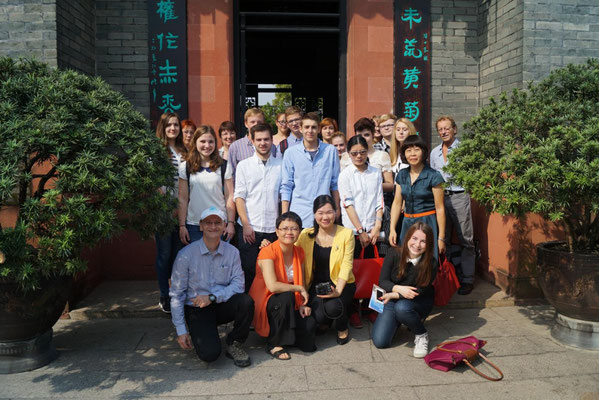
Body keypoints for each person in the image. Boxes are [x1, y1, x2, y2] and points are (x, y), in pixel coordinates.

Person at [170, 206, 254, 367]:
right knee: (210, 355)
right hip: (197, 308)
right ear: (201, 226)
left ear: (224, 225)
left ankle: (234, 343)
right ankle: (203, 331)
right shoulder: (185, 255)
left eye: (217, 222)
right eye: (208, 223)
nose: (213, 227)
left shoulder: (232, 252)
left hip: (219, 303)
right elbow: (176, 293)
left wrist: (212, 297)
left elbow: (238, 285)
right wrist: (181, 331)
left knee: (246, 302)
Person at [249, 212, 317, 360]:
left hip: (292, 299)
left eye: (294, 228)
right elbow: (273, 287)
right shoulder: (267, 252)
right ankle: (274, 343)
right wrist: (299, 289)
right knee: (285, 298)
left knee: (309, 338)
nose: (289, 232)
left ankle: (288, 335)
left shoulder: (299, 252)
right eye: (284, 228)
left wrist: (303, 303)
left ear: (299, 231)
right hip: (268, 299)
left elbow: (302, 280)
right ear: (277, 231)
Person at [371, 222, 438, 358]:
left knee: (402, 308)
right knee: (380, 341)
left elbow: (418, 291)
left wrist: (394, 294)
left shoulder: (431, 262)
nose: (417, 245)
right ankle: (401, 319)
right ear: (407, 238)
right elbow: (382, 281)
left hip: (418, 301)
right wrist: (398, 289)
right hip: (393, 297)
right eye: (414, 238)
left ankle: (421, 334)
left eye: (423, 241)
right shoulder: (393, 253)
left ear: (429, 244)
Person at [296, 195, 356, 345]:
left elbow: (346, 265)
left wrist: (338, 291)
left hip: (341, 283)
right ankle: (326, 320)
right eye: (320, 213)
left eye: (329, 212)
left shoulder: (346, 234)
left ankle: (342, 327)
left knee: (334, 306)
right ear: (314, 214)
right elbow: (290, 250)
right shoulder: (306, 235)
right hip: (317, 285)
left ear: (336, 213)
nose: (325, 217)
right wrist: (268, 245)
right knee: (317, 317)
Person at [338, 135, 384, 328]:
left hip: (373, 229)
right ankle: (352, 311)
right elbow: (347, 204)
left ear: (368, 151)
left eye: (362, 152)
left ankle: (371, 308)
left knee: (376, 270)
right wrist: (360, 230)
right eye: (354, 153)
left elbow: (379, 200)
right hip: (353, 231)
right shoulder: (345, 175)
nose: (358, 156)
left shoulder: (375, 172)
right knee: (353, 271)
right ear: (349, 154)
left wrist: (377, 226)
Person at [430, 116, 476, 295]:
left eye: (446, 128)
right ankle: (448, 278)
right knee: (443, 238)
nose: (443, 132)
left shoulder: (464, 149)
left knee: (466, 239)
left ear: (454, 129)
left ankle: (467, 279)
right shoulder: (434, 153)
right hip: (440, 197)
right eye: (440, 129)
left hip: (459, 196)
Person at [234, 122, 282, 292]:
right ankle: (249, 315)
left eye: (267, 139)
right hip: (249, 228)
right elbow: (239, 196)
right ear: (252, 141)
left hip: (273, 229)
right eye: (259, 139)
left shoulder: (281, 165)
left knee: (273, 273)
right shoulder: (244, 166)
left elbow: (284, 197)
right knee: (249, 272)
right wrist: (246, 224)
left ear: (272, 141)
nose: (263, 143)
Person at [281, 112, 341, 228]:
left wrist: (337, 208)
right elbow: (286, 185)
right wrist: (285, 213)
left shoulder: (330, 151)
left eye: (313, 127)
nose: (310, 130)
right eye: (307, 127)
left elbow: (335, 183)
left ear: (319, 129)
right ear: (301, 129)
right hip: (299, 211)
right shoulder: (290, 153)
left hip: (324, 212)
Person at [389, 135, 446, 256]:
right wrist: (392, 229)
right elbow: (397, 203)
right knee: (406, 261)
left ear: (423, 152)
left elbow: (440, 208)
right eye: (408, 150)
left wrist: (441, 238)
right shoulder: (402, 175)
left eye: (416, 150)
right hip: (407, 223)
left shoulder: (434, 176)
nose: (412, 154)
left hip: (427, 222)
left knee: (427, 263)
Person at [178, 126, 236, 244]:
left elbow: (229, 196)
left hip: (219, 224)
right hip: (194, 225)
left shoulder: (224, 166)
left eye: (211, 141)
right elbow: (182, 198)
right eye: (202, 141)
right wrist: (182, 225)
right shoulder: (185, 166)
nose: (207, 145)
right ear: (195, 142)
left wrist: (230, 223)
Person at [154, 112, 186, 313]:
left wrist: (180, 208)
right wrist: (169, 206)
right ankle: (164, 295)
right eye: (169, 125)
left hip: (182, 210)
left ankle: (176, 292)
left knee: (178, 254)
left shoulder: (183, 149)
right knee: (164, 254)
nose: (173, 128)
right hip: (164, 211)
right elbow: (155, 182)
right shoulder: (157, 150)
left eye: (176, 125)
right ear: (163, 128)